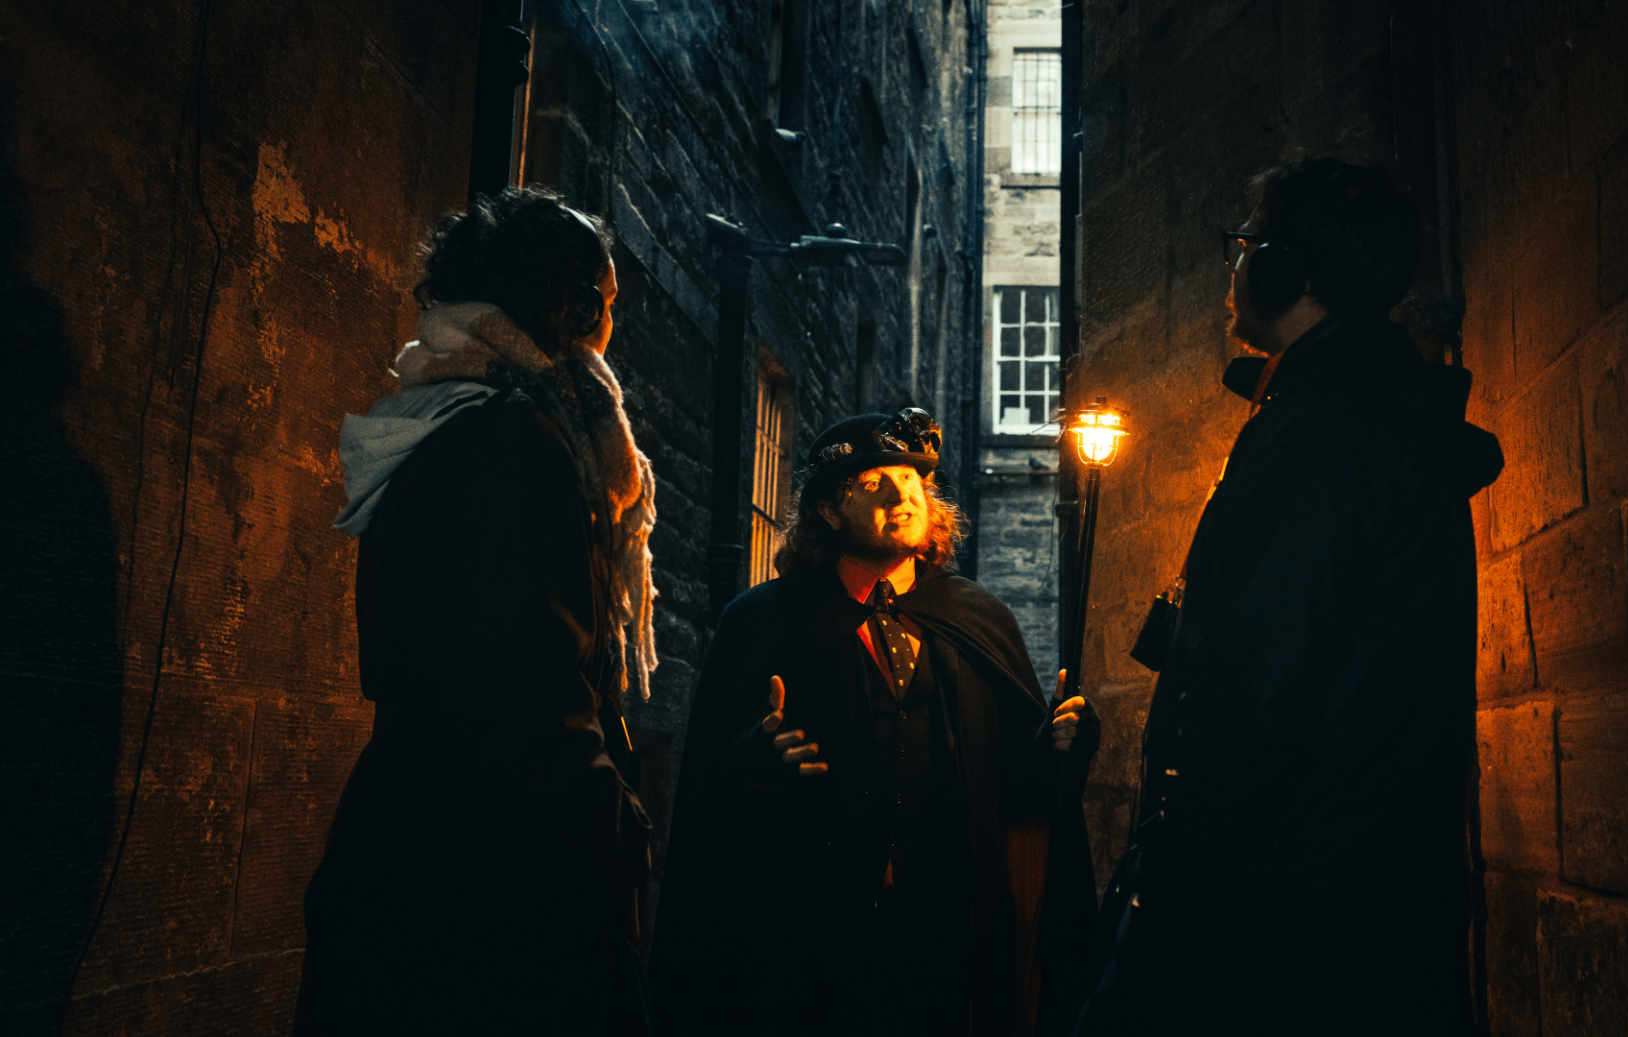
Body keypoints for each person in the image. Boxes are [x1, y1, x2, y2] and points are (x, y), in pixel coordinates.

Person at [1072, 160, 1504, 1036]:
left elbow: (1255, 689)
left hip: (1280, 931)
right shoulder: (1353, 420)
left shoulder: (1318, 434)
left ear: (1290, 271)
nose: (1231, 269)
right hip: (1353, 920)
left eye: (1245, 247)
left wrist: (1161, 882)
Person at [295, 188, 658, 1036]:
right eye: (603, 301)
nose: (609, 327)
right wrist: (617, 833)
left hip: (435, 855)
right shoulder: (511, 439)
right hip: (476, 884)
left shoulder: (459, 417)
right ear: (570, 302)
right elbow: (521, 697)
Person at [650, 408, 1102, 1037]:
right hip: (807, 941)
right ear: (829, 514)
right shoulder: (763, 623)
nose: (902, 495)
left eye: (913, 481)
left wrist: (1061, 751)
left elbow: (1009, 797)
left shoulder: (978, 619)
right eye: (874, 484)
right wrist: (754, 759)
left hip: (945, 934)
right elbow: (710, 798)